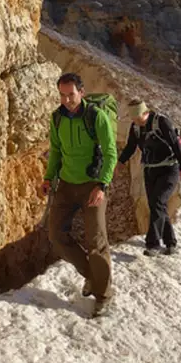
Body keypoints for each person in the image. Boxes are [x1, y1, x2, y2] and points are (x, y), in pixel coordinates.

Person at [39, 73, 117, 317]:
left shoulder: (97, 117)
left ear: (81, 92)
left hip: (92, 186)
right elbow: (56, 151)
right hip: (66, 185)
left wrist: (102, 185)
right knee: (56, 235)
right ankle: (93, 277)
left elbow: (111, 153)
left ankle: (104, 295)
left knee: (96, 241)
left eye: (70, 95)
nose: (66, 100)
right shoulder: (57, 118)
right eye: (62, 95)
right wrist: (48, 178)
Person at [118, 99, 181, 256]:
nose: (136, 122)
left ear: (145, 112)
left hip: (169, 169)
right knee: (157, 206)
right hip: (150, 170)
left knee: (157, 202)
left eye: (138, 118)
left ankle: (153, 244)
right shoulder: (136, 127)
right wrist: (119, 162)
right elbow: (130, 147)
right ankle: (171, 243)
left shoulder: (162, 122)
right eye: (133, 119)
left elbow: (175, 144)